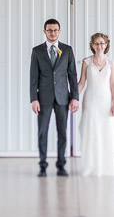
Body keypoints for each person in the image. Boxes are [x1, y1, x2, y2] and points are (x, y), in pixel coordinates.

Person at [30, 19, 79, 177]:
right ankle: (43, 165)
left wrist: (75, 97)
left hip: (63, 98)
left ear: (59, 31)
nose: (53, 33)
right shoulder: (37, 51)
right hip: (43, 98)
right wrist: (33, 98)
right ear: (44, 31)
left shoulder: (67, 50)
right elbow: (33, 77)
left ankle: (61, 165)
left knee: (62, 132)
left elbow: (72, 76)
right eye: (49, 30)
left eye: (55, 30)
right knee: (42, 132)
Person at [77, 32, 114, 176]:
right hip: (90, 100)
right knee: (91, 131)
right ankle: (90, 166)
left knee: (107, 132)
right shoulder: (86, 62)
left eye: (102, 43)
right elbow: (82, 83)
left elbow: (113, 84)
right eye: (96, 43)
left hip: (105, 101)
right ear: (92, 45)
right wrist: (73, 98)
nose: (99, 46)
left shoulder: (111, 63)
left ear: (106, 45)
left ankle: (106, 166)